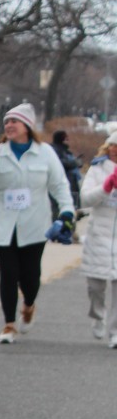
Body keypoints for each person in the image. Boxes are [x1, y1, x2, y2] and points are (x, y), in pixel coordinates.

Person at [0, 103, 74, 344]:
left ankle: (28, 305)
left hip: (34, 223)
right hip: (1, 224)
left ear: (27, 126)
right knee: (8, 273)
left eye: (14, 121)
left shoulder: (45, 153)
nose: (9, 125)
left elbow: (59, 185)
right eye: (6, 122)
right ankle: (9, 324)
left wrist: (67, 211)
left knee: (30, 275)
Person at [78, 131, 117, 347]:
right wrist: (106, 187)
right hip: (99, 235)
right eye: (113, 145)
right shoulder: (97, 169)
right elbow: (85, 199)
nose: (115, 150)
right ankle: (97, 316)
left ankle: (115, 332)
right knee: (95, 287)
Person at [50, 129, 83, 217]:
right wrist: (74, 163)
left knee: (71, 202)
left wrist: (77, 162)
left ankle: (74, 211)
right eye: (66, 137)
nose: (67, 139)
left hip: (71, 180)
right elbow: (59, 163)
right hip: (64, 180)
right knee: (60, 206)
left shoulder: (64, 150)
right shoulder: (54, 150)